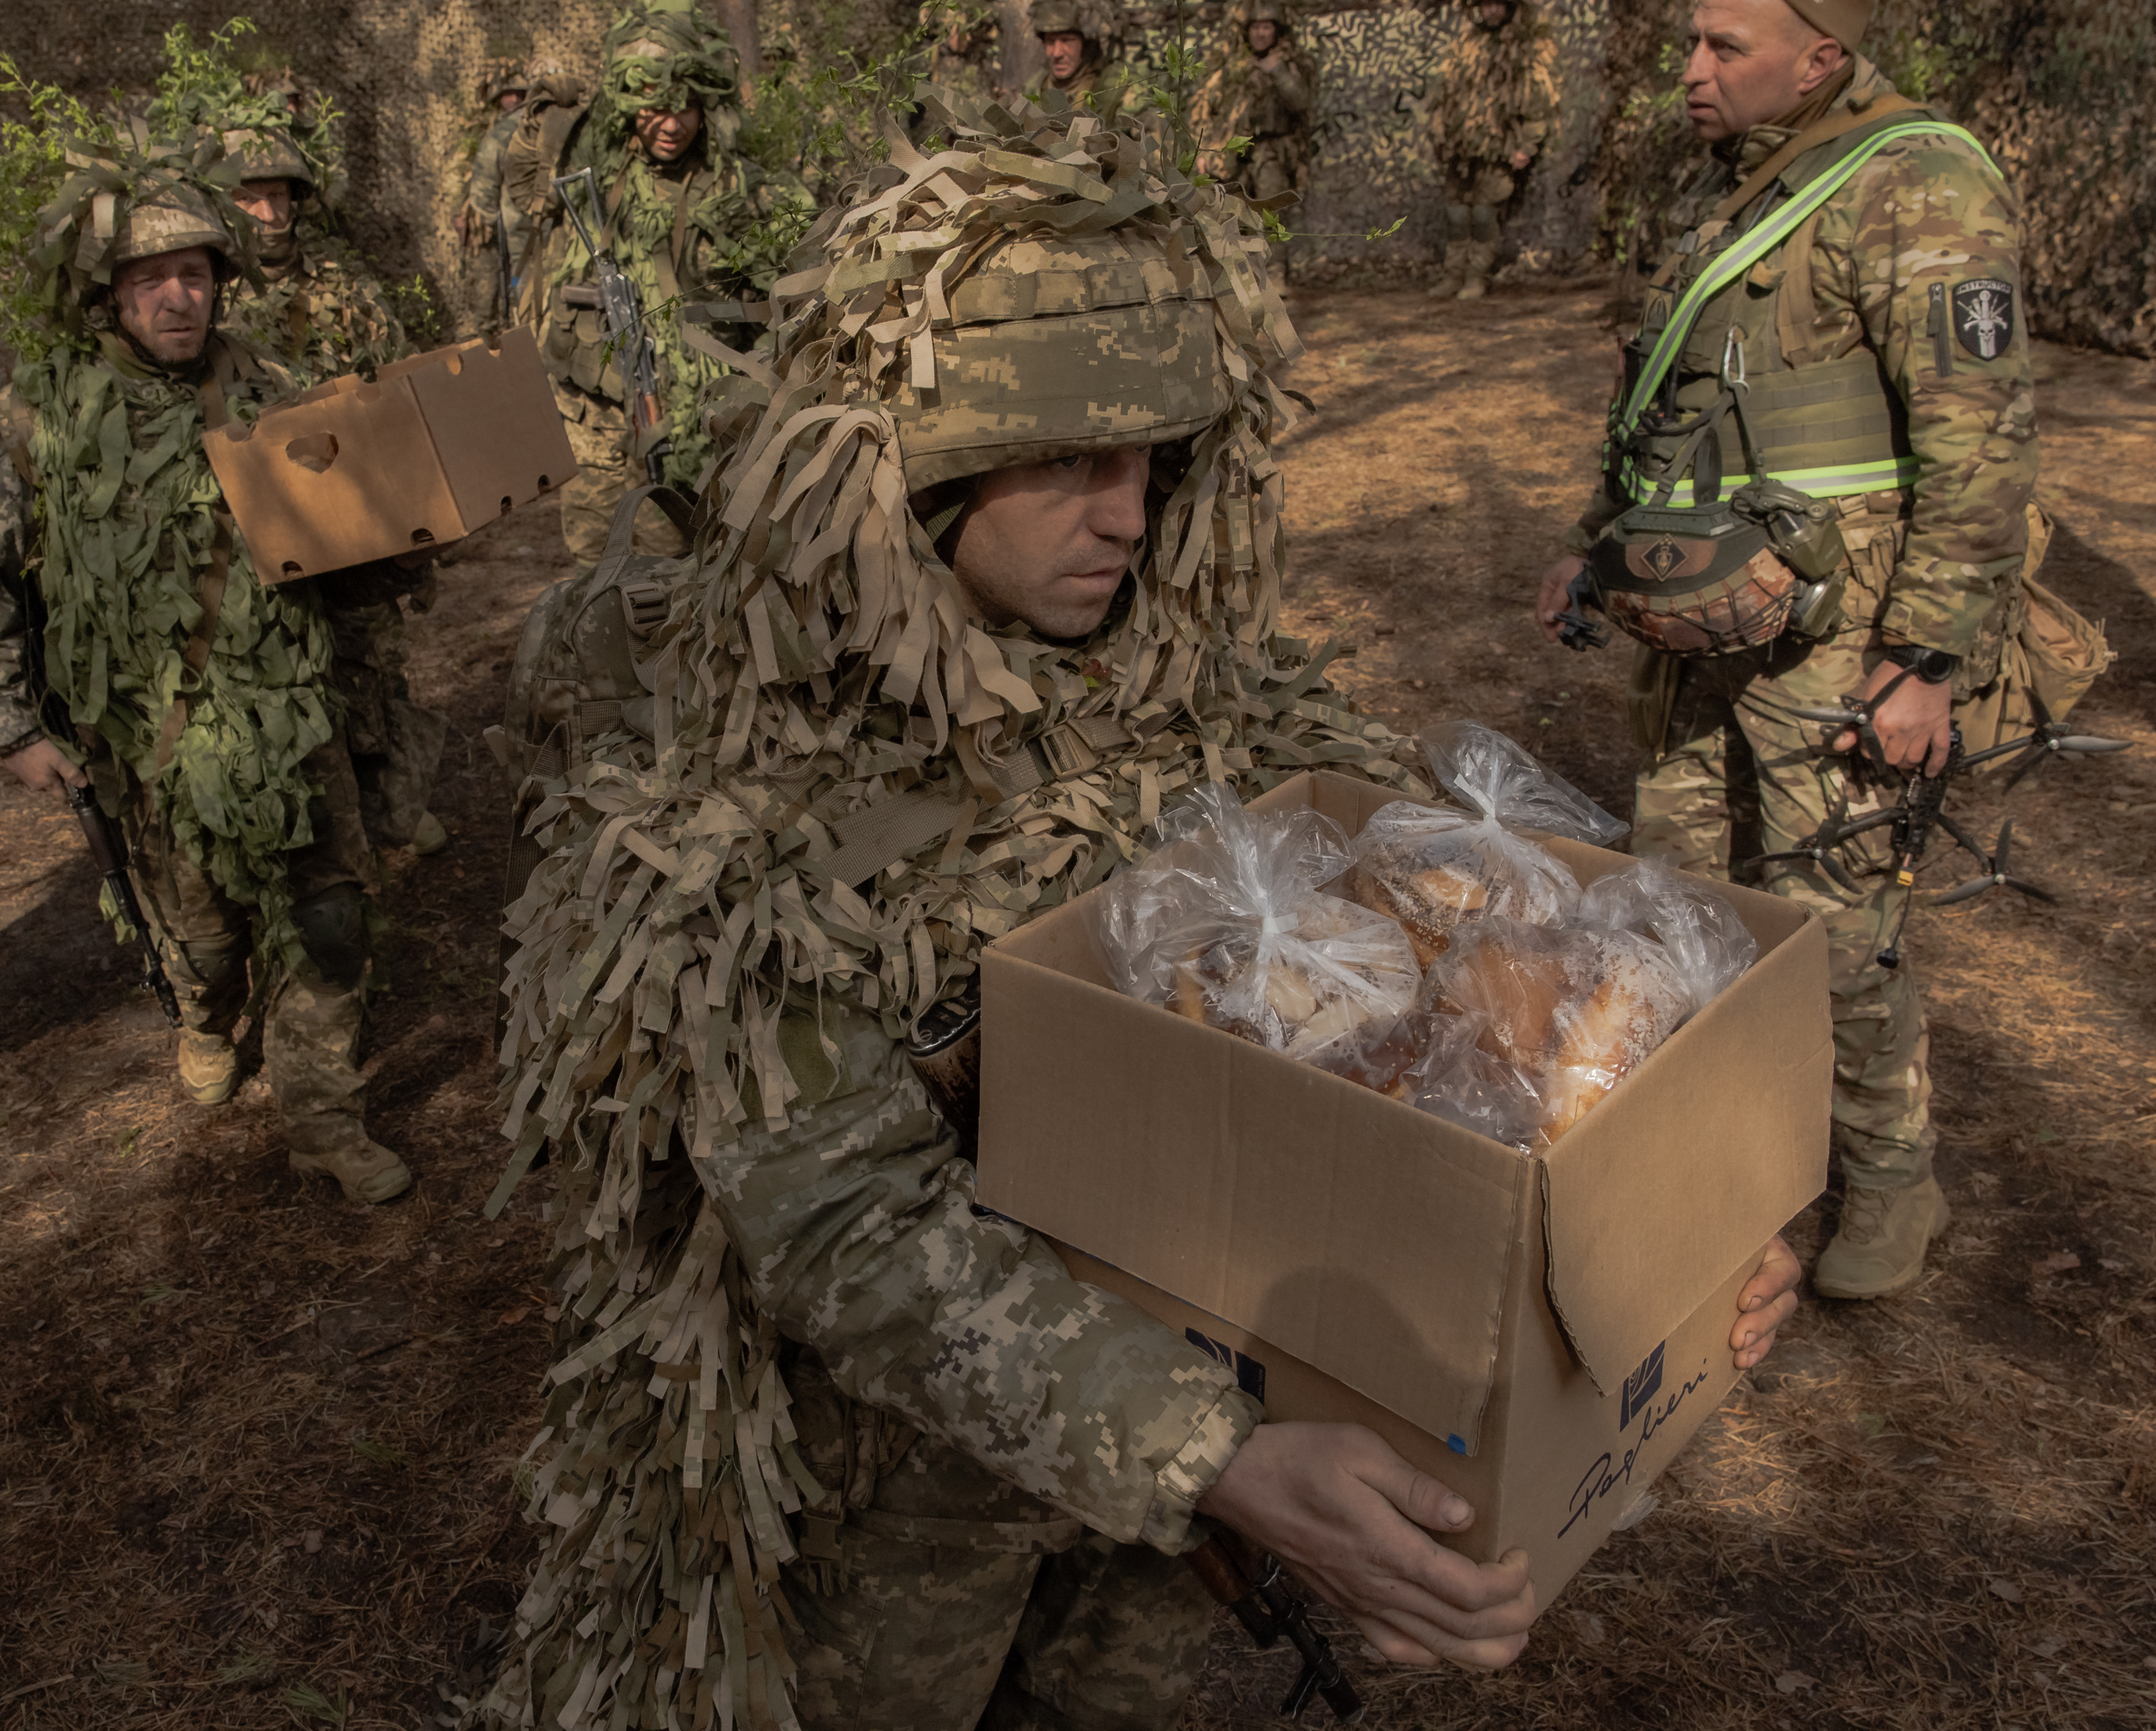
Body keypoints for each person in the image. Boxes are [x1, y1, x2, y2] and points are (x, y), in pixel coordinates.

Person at [476, 91, 1803, 1730]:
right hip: (887, 1492)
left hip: (1190, 1475)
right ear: (922, 477)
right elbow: (844, 1228)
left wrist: (1675, 1226)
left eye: (1156, 464)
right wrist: (1211, 1450)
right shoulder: (746, 822)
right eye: (1073, 464)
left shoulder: (1207, 708)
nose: (1131, 510)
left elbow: (1490, 997)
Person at [1534, 0, 2038, 1298]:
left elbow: (1978, 445)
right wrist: (1593, 552)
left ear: (1818, 56)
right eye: (1689, 41)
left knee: (1832, 924)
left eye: (1723, 46)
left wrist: (1924, 660)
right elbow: (1671, 405)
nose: (1688, 69)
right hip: (1698, 619)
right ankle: (1710, 1166)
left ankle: (1887, 1182)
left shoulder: (1913, 187)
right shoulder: (1733, 189)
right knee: (1680, 899)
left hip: (1841, 639)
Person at [0, 139, 412, 1205]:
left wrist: (410, 535)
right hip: (149, 737)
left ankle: (323, 1120)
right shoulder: (34, 416)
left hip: (288, 715)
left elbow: (351, 550)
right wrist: (11, 729)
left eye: (194, 275)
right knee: (201, 936)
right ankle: (203, 1014)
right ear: (106, 296)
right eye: (151, 279)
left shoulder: (274, 389)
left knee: (329, 916)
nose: (177, 297)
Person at [212, 84, 450, 860]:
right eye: (251, 199)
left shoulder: (342, 289)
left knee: (371, 674)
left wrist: (421, 518)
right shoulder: (206, 304)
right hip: (255, 540)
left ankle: (391, 811)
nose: (270, 214)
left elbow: (397, 398)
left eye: (281, 196)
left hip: (353, 524)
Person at [505, 0, 798, 567]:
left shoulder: (738, 190)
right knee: (595, 569)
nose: (671, 123)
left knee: (676, 569)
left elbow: (786, 304)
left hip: (691, 428)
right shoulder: (595, 170)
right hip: (597, 422)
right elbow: (524, 180)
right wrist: (549, 115)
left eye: (686, 106)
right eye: (655, 105)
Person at [1423, 0, 1558, 301]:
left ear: (1509, 9)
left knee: (1484, 216)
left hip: (1498, 149)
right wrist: (1438, 133)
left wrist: (1527, 146)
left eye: (1499, 4)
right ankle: (1453, 275)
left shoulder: (1522, 51)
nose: (1492, 11)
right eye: (1486, 4)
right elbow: (1440, 96)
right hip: (1461, 149)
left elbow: (1537, 105)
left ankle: (1476, 277)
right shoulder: (1463, 47)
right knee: (1456, 215)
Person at [1192, 0, 1319, 258]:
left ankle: (1274, 279)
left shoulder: (1292, 64)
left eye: (1267, 27)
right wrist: (1205, 148)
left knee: (1271, 215)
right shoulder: (1231, 67)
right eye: (1255, 27)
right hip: (1233, 152)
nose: (1261, 34)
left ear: (1276, 30)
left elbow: (1302, 103)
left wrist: (1277, 71)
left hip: (1272, 150)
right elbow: (1207, 108)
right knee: (1231, 216)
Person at [457, 56, 530, 335]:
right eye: (508, 94)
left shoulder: (503, 133)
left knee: (514, 291)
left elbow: (484, 197)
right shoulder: (483, 131)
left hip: (512, 230)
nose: (514, 100)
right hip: (501, 229)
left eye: (519, 94)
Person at [1022, 0, 1110, 104]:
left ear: (1086, 46)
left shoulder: (1110, 91)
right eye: (1051, 42)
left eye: (1067, 41)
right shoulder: (1034, 89)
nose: (1057, 53)